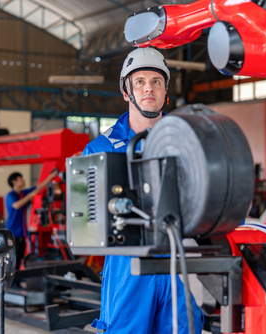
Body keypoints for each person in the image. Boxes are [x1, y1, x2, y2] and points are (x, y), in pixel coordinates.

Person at [84, 47, 203, 334]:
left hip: (182, 265)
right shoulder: (100, 149)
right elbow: (88, 224)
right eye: (139, 81)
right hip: (128, 269)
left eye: (156, 81)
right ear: (127, 92)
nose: (148, 88)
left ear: (165, 93)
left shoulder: (190, 142)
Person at [5, 169, 58, 270]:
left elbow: (37, 188)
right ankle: (12, 284)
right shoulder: (10, 196)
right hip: (12, 235)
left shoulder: (23, 193)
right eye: (21, 178)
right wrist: (30, 195)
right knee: (13, 260)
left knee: (19, 258)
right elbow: (16, 205)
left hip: (22, 234)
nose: (23, 180)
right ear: (14, 182)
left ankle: (16, 282)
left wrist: (51, 177)